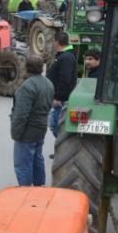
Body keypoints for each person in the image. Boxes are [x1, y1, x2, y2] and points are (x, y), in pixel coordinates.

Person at [11, 55, 54, 187]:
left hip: (27, 131)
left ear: (26, 67)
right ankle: (39, 187)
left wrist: (16, 133)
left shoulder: (27, 87)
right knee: (37, 158)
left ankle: (25, 191)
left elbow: (21, 115)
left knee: (23, 163)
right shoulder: (48, 83)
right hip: (41, 127)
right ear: (41, 68)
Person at [46, 31, 78, 138]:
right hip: (60, 98)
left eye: (54, 42)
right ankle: (60, 149)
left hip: (61, 99)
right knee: (55, 125)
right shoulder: (64, 56)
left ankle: (61, 149)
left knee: (55, 125)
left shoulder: (66, 58)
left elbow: (65, 79)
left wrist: (58, 98)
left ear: (57, 42)